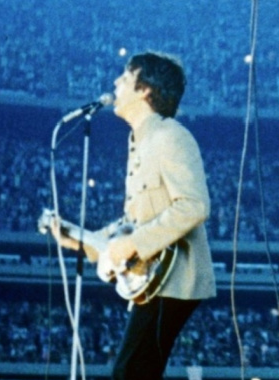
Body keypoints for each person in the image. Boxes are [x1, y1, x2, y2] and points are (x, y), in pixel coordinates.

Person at [51, 51, 216, 380]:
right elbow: (133, 225)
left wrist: (132, 246)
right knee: (136, 370)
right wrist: (82, 240)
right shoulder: (140, 141)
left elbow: (194, 205)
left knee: (131, 371)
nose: (115, 83)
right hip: (156, 280)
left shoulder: (171, 136)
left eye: (124, 78)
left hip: (174, 280)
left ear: (145, 90)